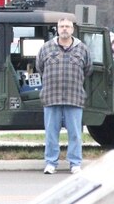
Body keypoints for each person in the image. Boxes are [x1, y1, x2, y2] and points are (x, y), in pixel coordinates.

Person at [36, 17, 93, 174]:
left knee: (75, 134)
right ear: (57, 28)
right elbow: (39, 68)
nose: (65, 29)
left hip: (74, 98)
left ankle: (75, 164)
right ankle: (51, 163)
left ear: (72, 29)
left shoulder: (83, 49)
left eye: (68, 26)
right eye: (62, 26)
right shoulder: (46, 48)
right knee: (51, 134)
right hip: (51, 97)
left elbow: (88, 69)